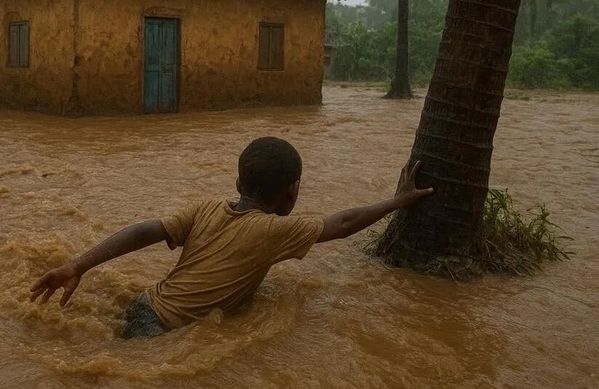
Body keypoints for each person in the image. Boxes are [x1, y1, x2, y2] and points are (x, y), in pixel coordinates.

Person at [29, 137, 433, 338]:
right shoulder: (277, 230)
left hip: (144, 305)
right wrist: (398, 201)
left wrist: (77, 264)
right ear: (292, 192)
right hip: (166, 331)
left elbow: (142, 232)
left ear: (238, 181)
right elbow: (344, 223)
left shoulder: (204, 208)